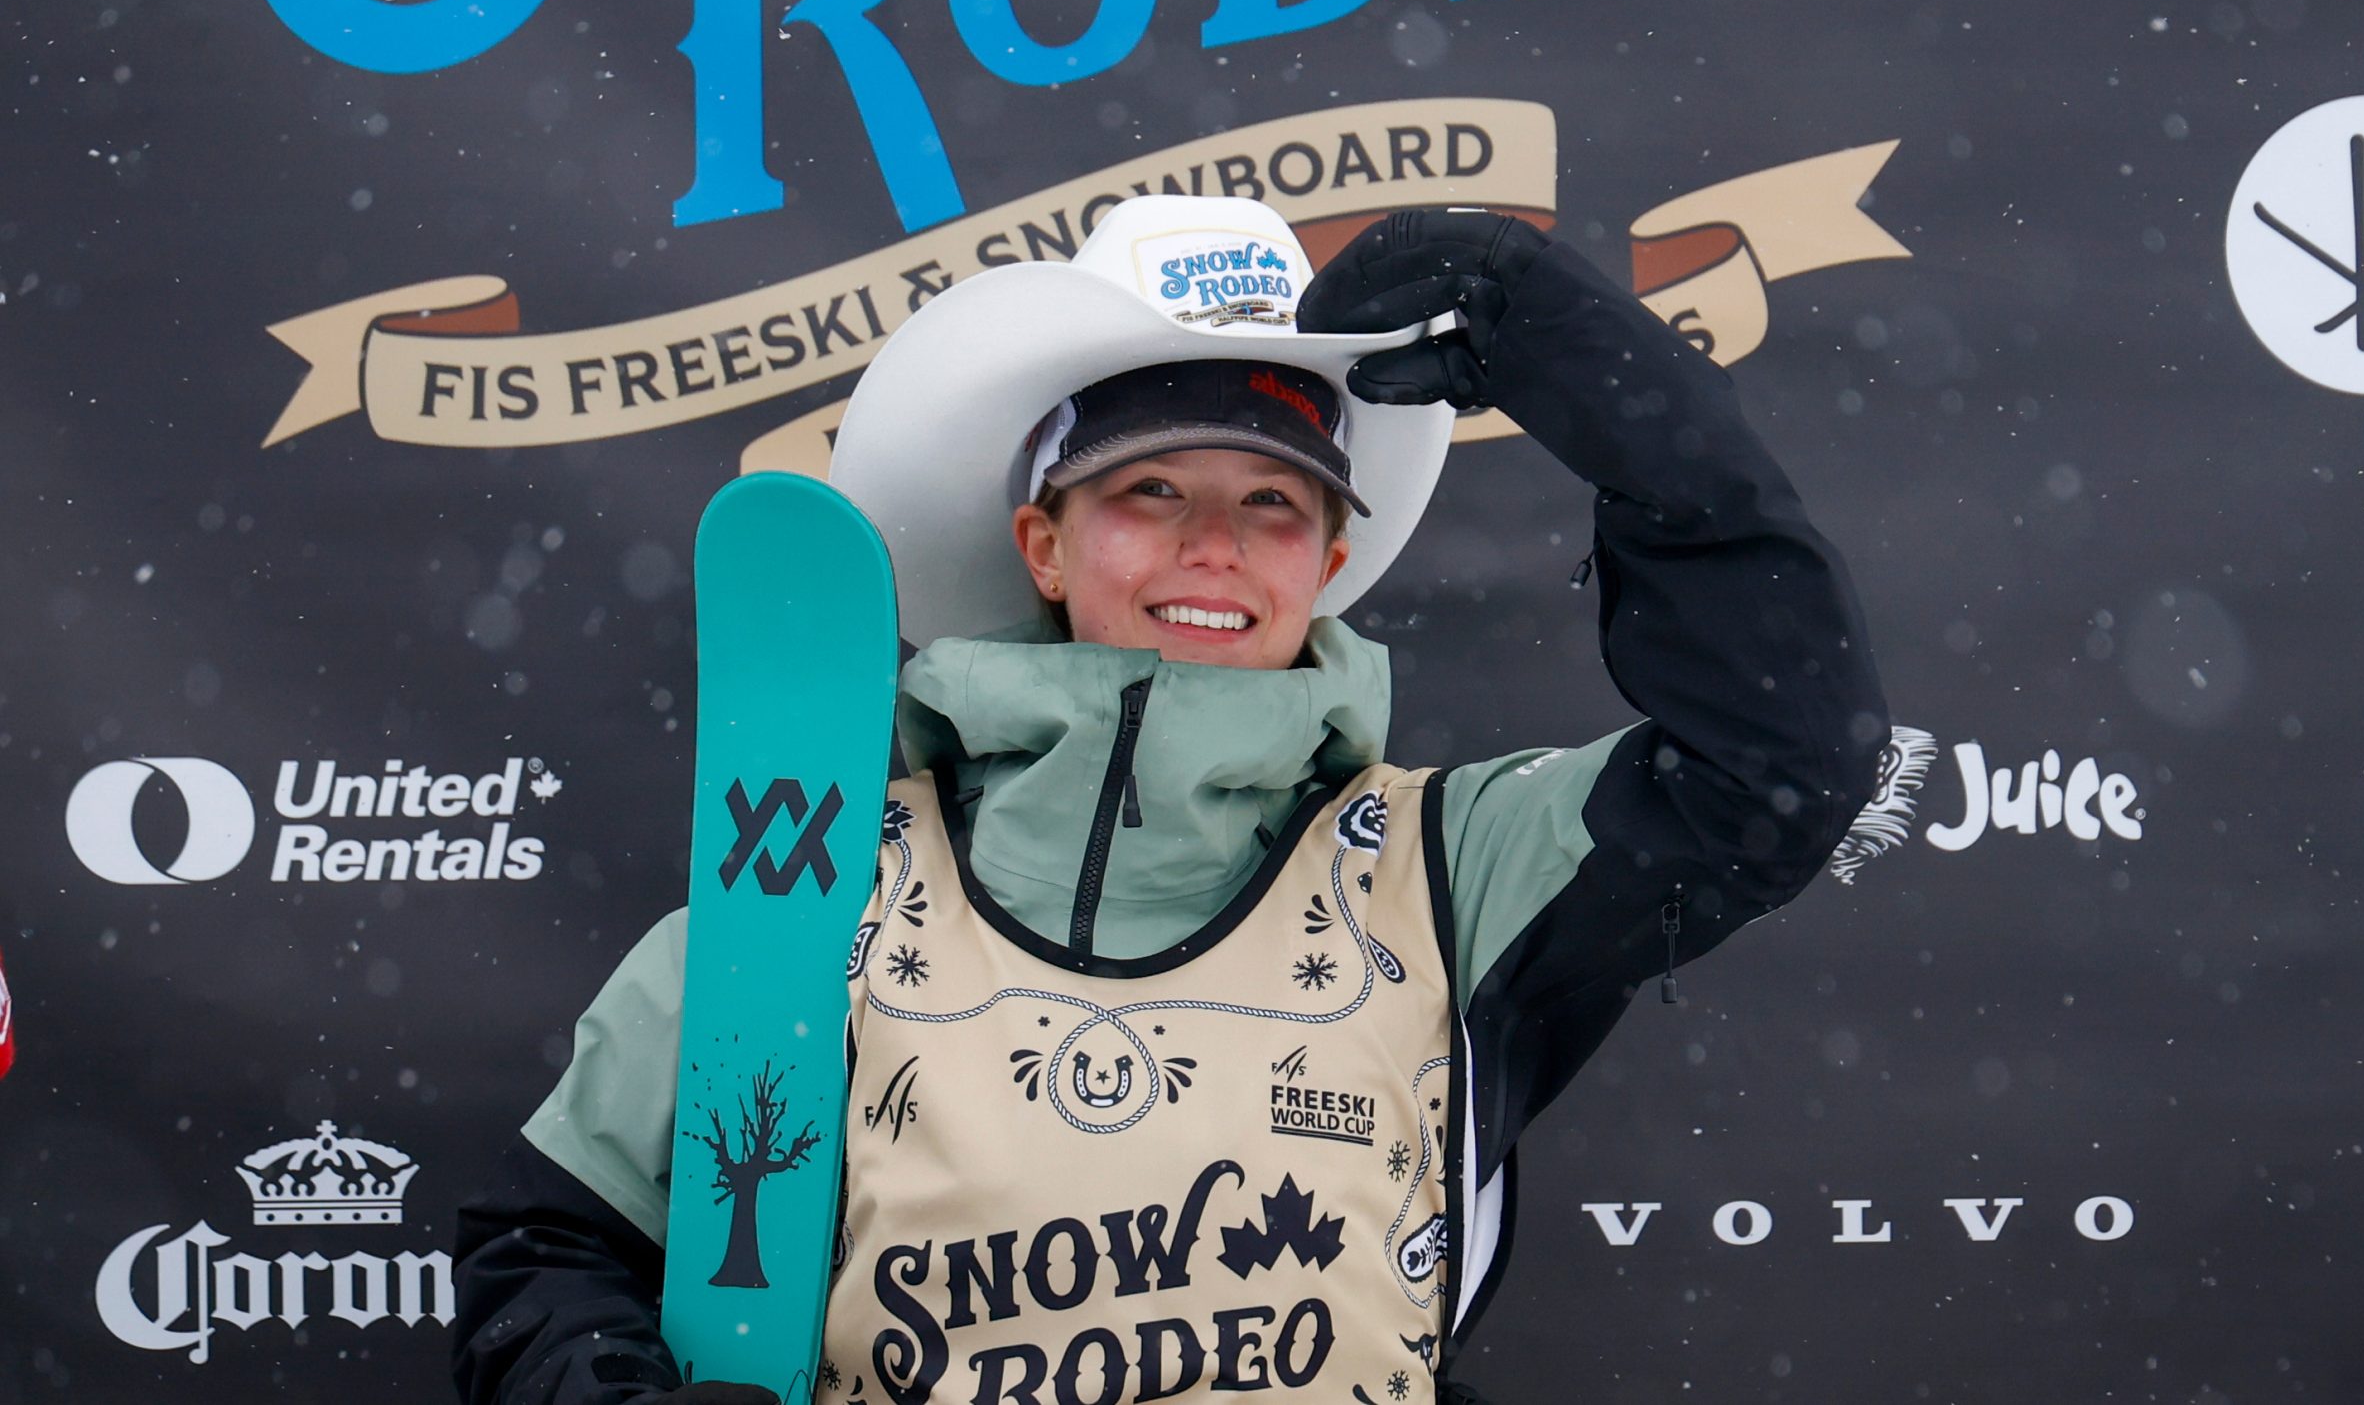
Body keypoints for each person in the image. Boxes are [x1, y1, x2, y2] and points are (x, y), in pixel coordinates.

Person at [452, 195, 1885, 1405]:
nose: (1217, 545)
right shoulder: (815, 889)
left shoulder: (1455, 872)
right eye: (1148, 490)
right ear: (1044, 543)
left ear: (1326, 560)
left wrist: (1604, 374)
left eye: (1274, 503)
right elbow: (550, 1253)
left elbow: (1785, 759)